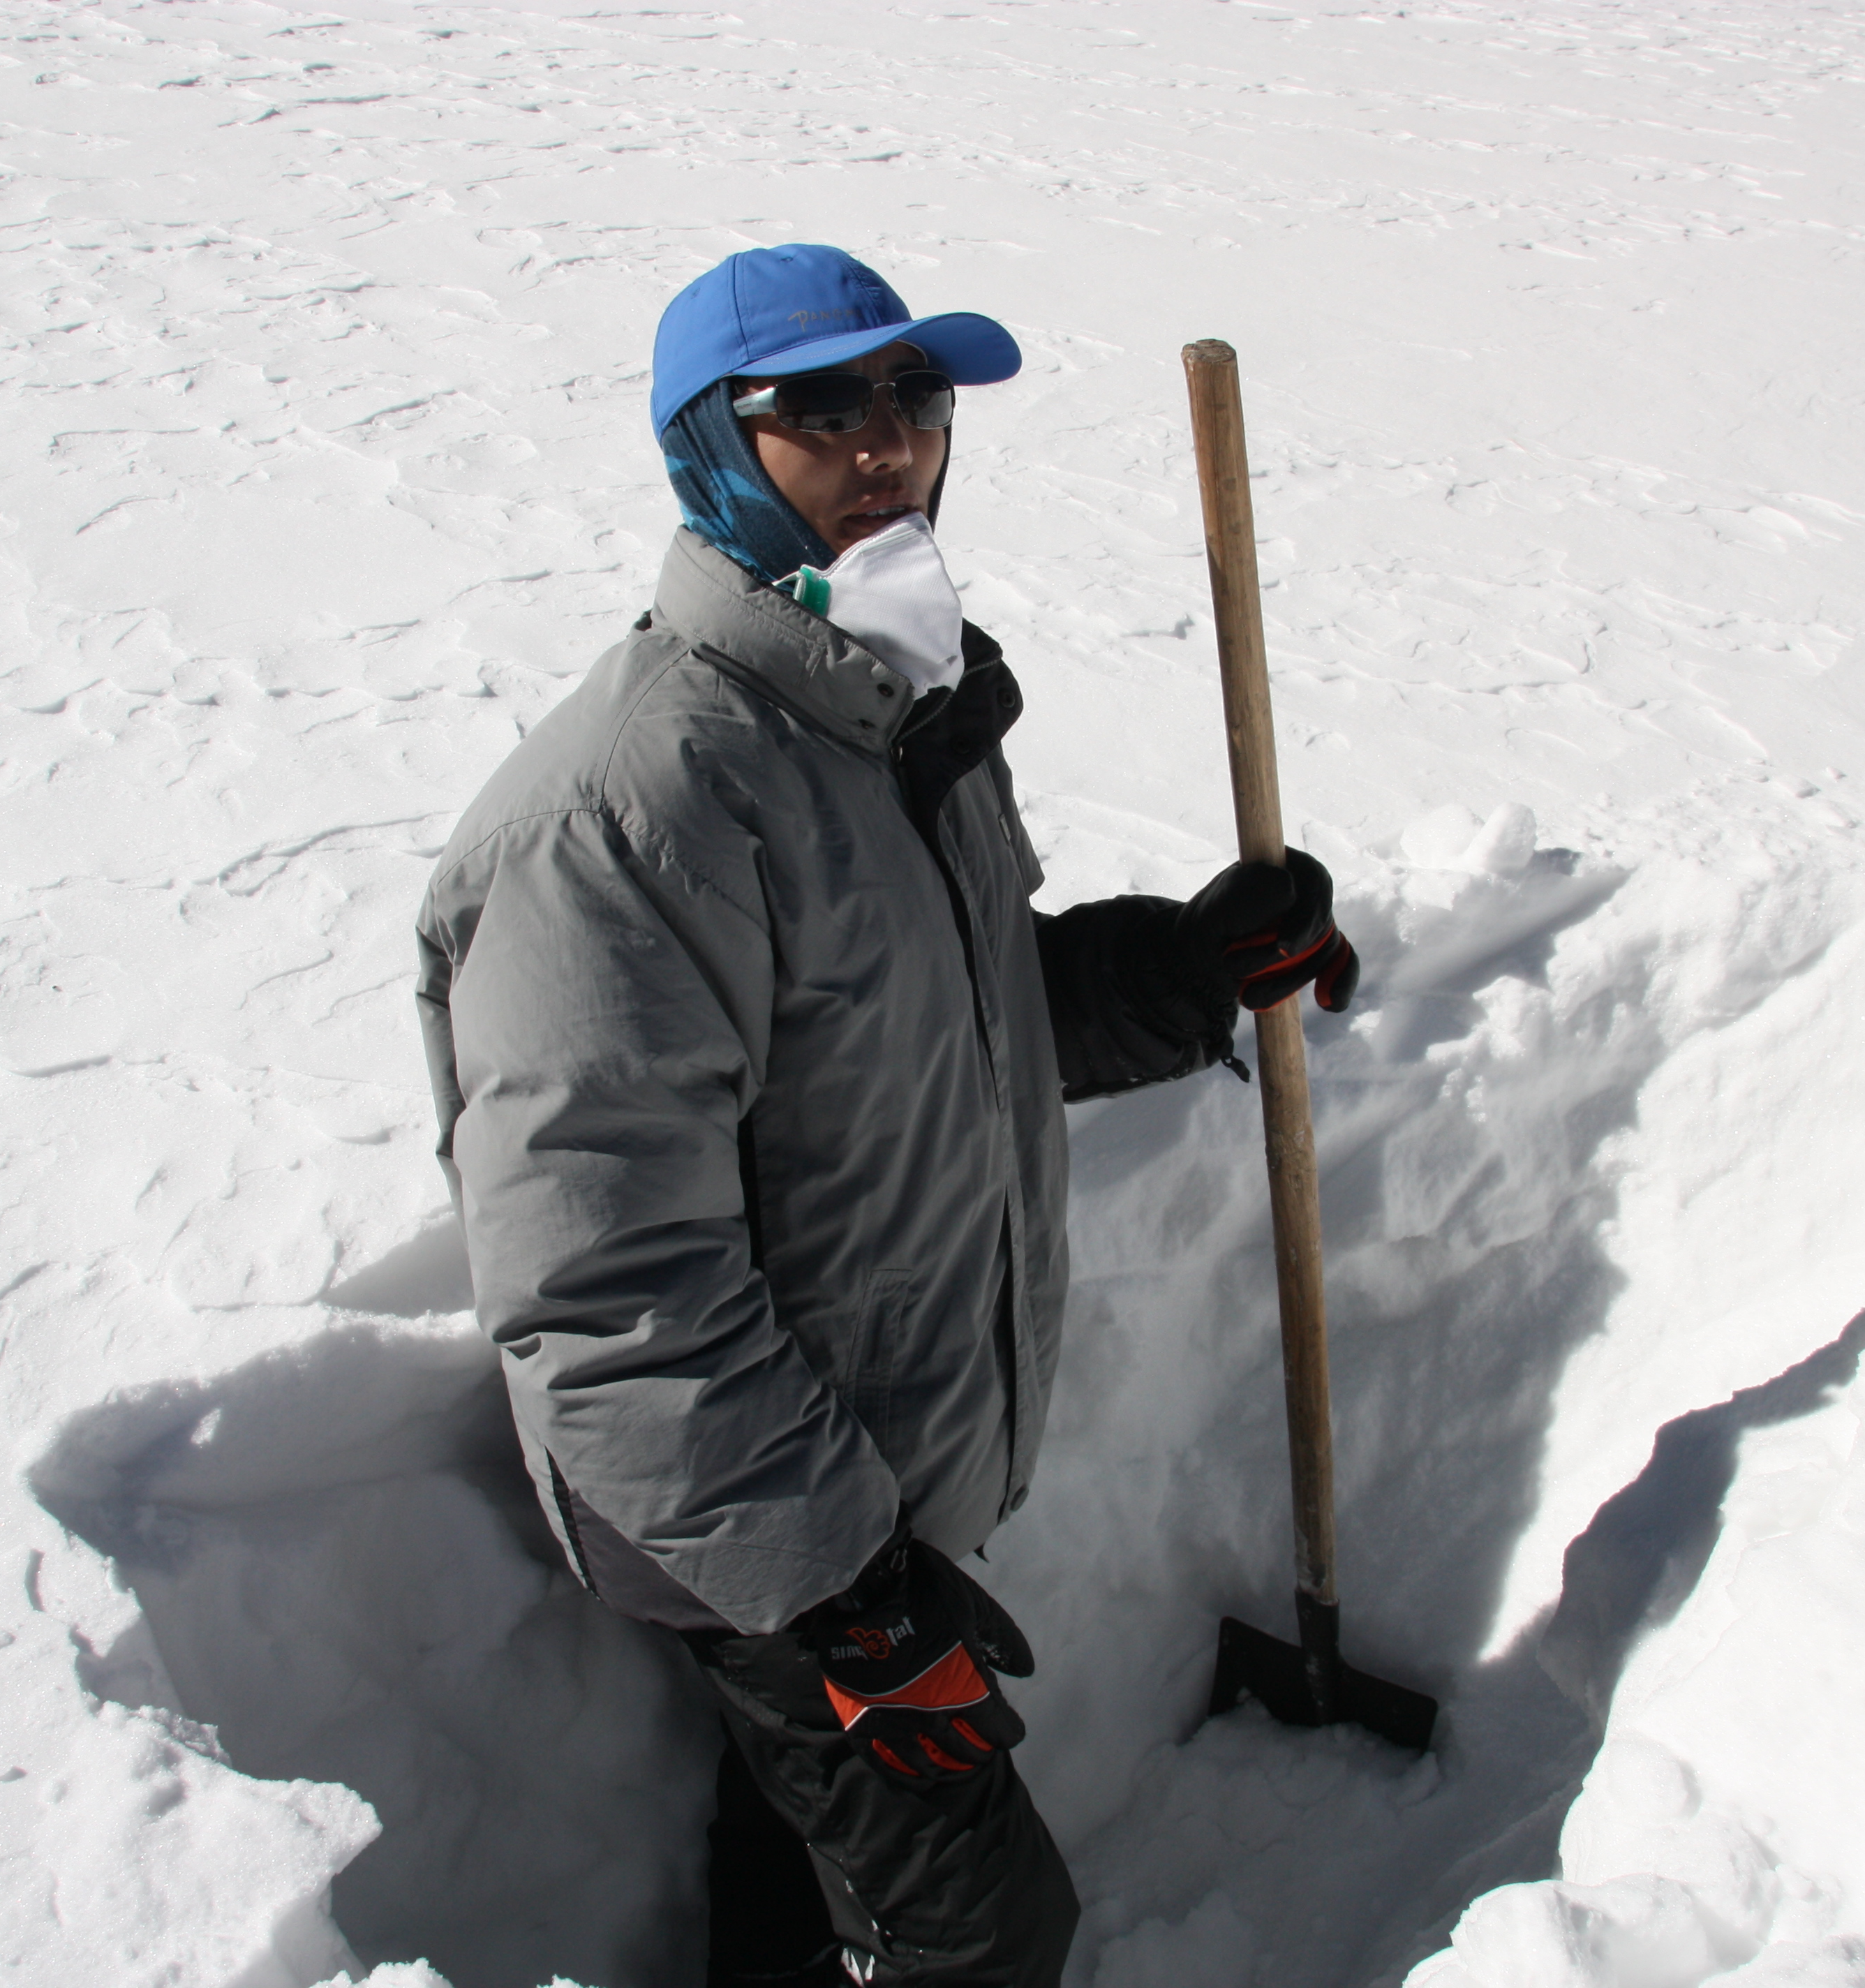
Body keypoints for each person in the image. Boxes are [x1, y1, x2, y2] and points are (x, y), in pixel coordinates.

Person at [415, 244, 1358, 1988]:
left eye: (914, 399)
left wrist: (1194, 964)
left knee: (798, 1863)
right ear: (714, 446)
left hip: (865, 1465)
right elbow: (609, 1285)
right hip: (756, 1510)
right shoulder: (630, 812)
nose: (886, 445)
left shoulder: (886, 713)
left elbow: (963, 1021)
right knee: (987, 1930)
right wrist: (845, 1595)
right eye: (821, 409)